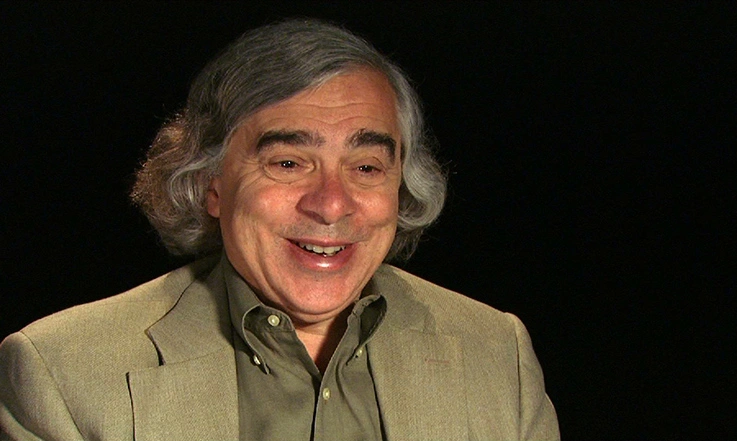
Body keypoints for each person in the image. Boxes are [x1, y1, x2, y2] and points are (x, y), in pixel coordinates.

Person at [0, 19, 559, 441]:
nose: (332, 204)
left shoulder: (497, 356)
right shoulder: (62, 374)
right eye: (289, 162)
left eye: (366, 167)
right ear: (211, 184)